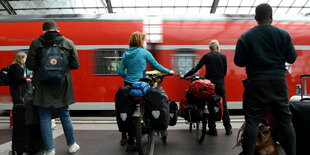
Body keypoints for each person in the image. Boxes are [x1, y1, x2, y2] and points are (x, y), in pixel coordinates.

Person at [234, 3, 297, 155]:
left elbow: (239, 61)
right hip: (278, 82)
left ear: (256, 18)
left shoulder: (246, 36)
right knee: (285, 122)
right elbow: (292, 57)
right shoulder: (283, 34)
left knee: (252, 122)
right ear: (271, 16)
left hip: (256, 82)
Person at [26, 20, 80, 155]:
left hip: (43, 85)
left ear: (43, 30)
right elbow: (75, 64)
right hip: (62, 84)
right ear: (57, 29)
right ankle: (72, 145)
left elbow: (30, 65)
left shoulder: (36, 43)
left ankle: (50, 150)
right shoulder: (68, 42)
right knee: (65, 115)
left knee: (44, 117)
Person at [118, 31, 174, 151]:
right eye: (144, 40)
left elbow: (120, 72)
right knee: (148, 103)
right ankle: (149, 124)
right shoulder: (144, 52)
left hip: (128, 85)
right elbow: (156, 65)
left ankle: (129, 140)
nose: (146, 42)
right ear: (140, 41)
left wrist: (129, 75)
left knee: (129, 109)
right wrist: (168, 71)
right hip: (142, 84)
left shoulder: (126, 54)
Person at [182, 40, 232, 136]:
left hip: (210, 85)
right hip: (221, 84)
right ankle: (228, 129)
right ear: (217, 47)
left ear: (210, 48)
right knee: (224, 106)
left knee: (210, 106)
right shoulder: (223, 56)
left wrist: (185, 75)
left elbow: (196, 68)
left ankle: (213, 129)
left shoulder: (207, 56)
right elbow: (225, 72)